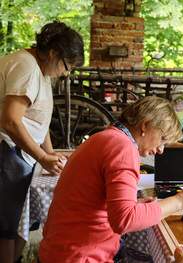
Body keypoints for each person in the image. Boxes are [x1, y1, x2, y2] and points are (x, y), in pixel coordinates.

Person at [37, 96, 183, 262]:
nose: (161, 149)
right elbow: (125, 220)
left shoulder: (104, 137)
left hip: (60, 251)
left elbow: (94, 202)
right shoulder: (123, 147)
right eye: (163, 139)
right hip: (81, 256)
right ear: (146, 124)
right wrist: (180, 201)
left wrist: (133, 203)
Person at [0, 20, 84, 263]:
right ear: (53, 52)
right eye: (68, 65)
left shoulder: (42, 69)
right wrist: (43, 157)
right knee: (8, 224)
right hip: (9, 149)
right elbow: (11, 122)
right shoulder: (25, 67)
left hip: (23, 151)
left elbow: (39, 119)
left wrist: (51, 153)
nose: (67, 72)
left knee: (21, 221)